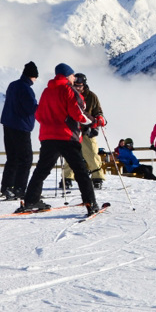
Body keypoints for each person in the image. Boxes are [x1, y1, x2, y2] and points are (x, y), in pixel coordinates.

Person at [16, 63, 98, 215]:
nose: (74, 78)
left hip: (48, 137)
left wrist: (50, 124)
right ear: (67, 75)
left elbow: (38, 114)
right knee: (80, 171)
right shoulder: (70, 90)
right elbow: (79, 114)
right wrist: (94, 121)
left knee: (41, 170)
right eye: (73, 75)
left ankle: (30, 201)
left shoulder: (46, 91)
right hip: (67, 136)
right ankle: (90, 202)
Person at [0, 61, 38, 200]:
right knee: (25, 159)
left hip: (8, 124)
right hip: (21, 126)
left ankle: (7, 187)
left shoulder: (13, 85)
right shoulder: (26, 89)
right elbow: (31, 108)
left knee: (12, 157)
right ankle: (20, 189)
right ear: (32, 76)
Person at [60, 73, 107, 190]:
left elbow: (98, 111)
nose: (78, 88)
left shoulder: (91, 96)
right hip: (73, 130)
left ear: (84, 85)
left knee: (91, 153)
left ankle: (97, 177)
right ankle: (67, 177)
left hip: (87, 129)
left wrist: (99, 118)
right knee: (71, 154)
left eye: (80, 86)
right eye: (75, 85)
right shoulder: (69, 94)